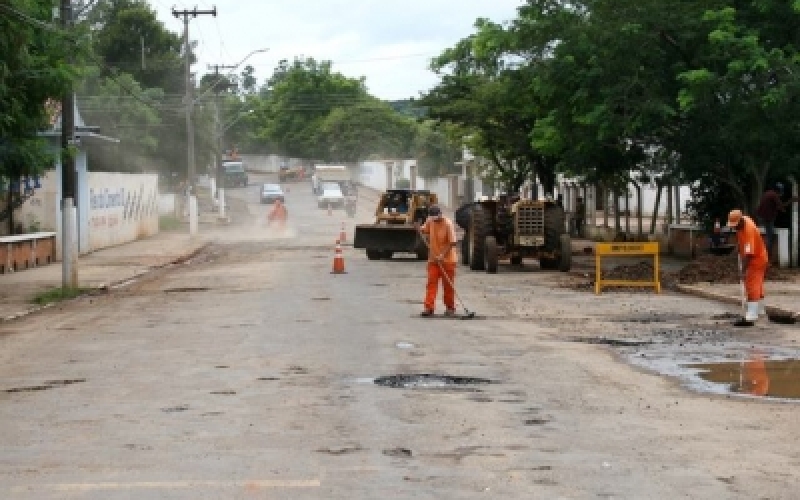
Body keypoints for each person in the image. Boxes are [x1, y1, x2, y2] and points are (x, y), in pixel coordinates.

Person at [727, 209, 769, 326]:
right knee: (758, 284)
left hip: (756, 259)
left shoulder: (748, 230)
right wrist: (738, 247)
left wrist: (743, 271)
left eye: (735, 225)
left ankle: (751, 314)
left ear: (740, 220)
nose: (734, 228)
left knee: (751, 284)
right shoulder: (744, 221)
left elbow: (749, 254)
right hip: (761, 256)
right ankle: (760, 310)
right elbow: (742, 241)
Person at [417, 205, 458, 317]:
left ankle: (450, 308)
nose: (435, 219)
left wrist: (442, 255)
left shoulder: (448, 224)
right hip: (433, 260)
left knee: (448, 285)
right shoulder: (430, 221)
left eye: (436, 217)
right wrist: (418, 227)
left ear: (440, 214)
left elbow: (453, 243)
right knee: (431, 283)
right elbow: (424, 230)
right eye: (432, 217)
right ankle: (429, 308)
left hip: (448, 260)